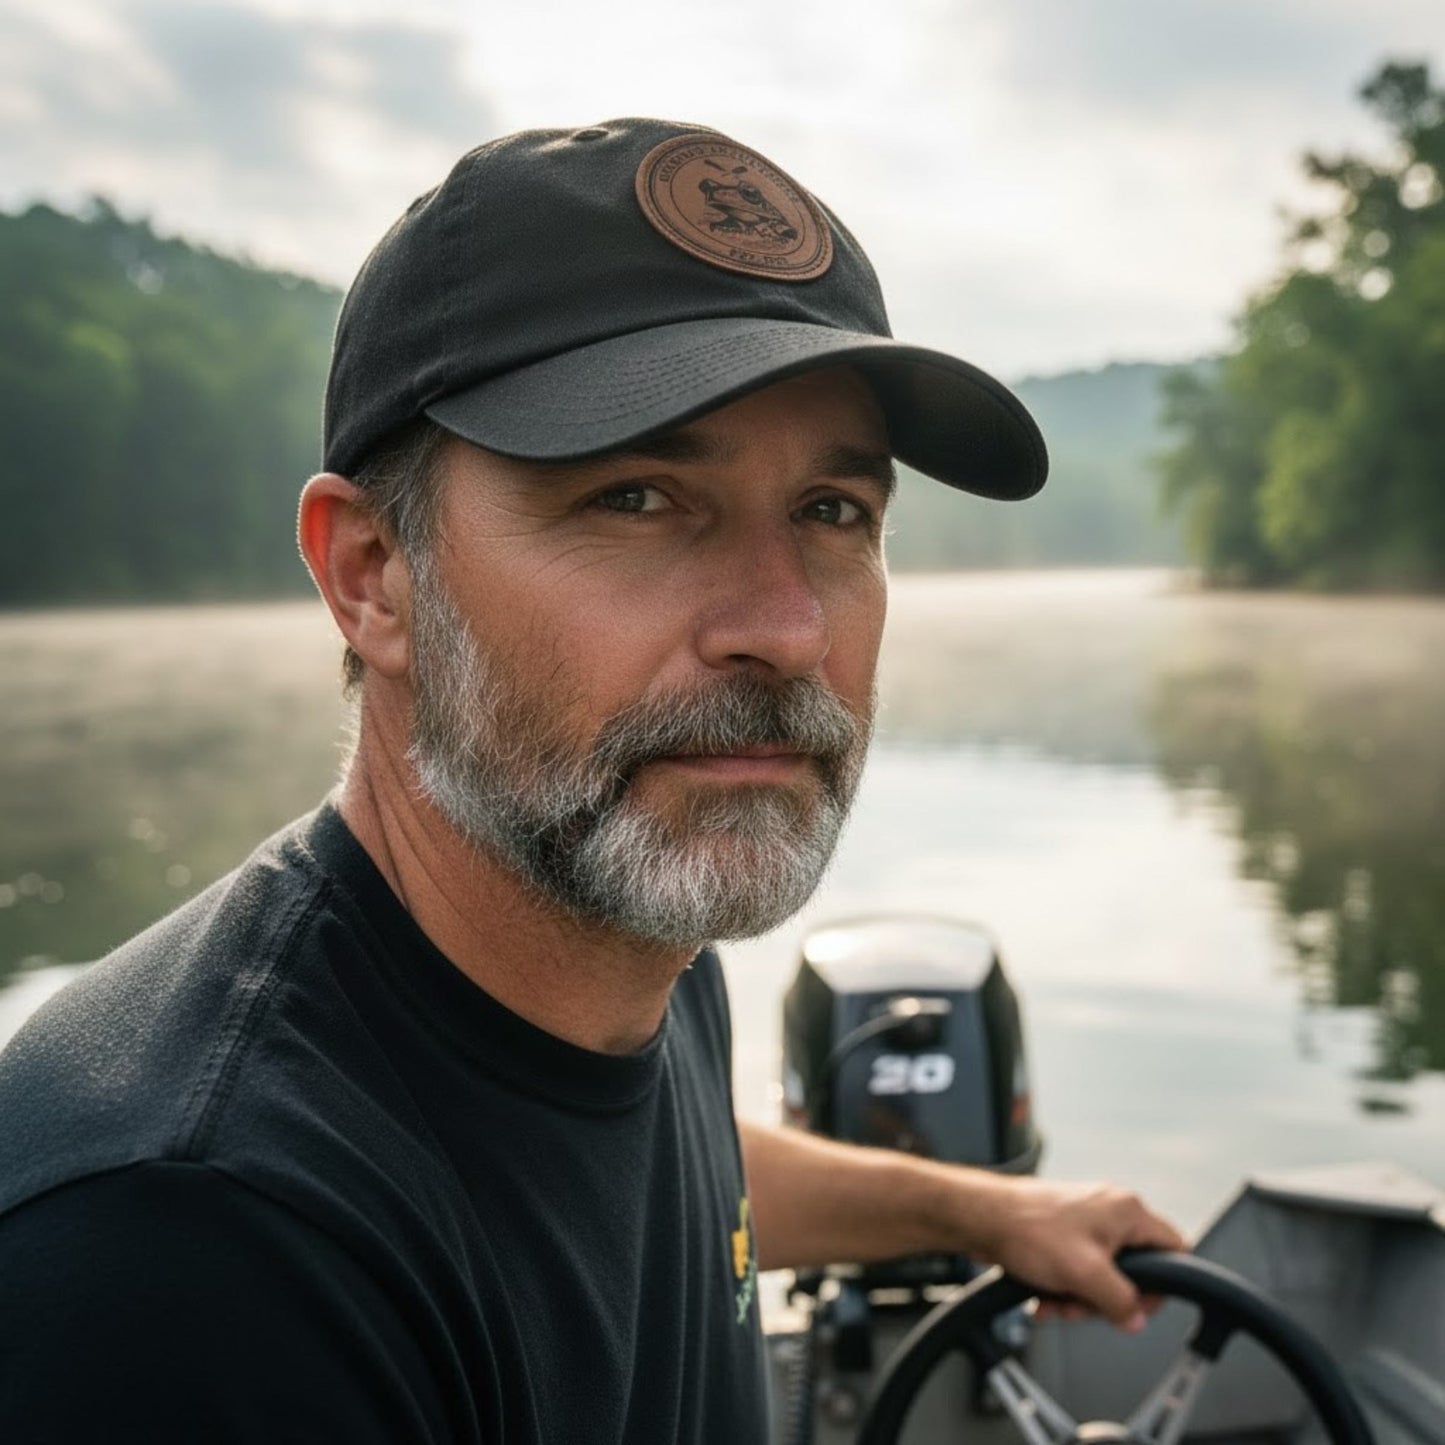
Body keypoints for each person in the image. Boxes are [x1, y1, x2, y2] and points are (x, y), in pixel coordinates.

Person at [0, 119, 1183, 1441]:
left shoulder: (634, 944)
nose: (785, 625)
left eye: (831, 511)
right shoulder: (192, 1249)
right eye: (635, 498)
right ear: (372, 575)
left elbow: (642, 1171)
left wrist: (980, 1209)